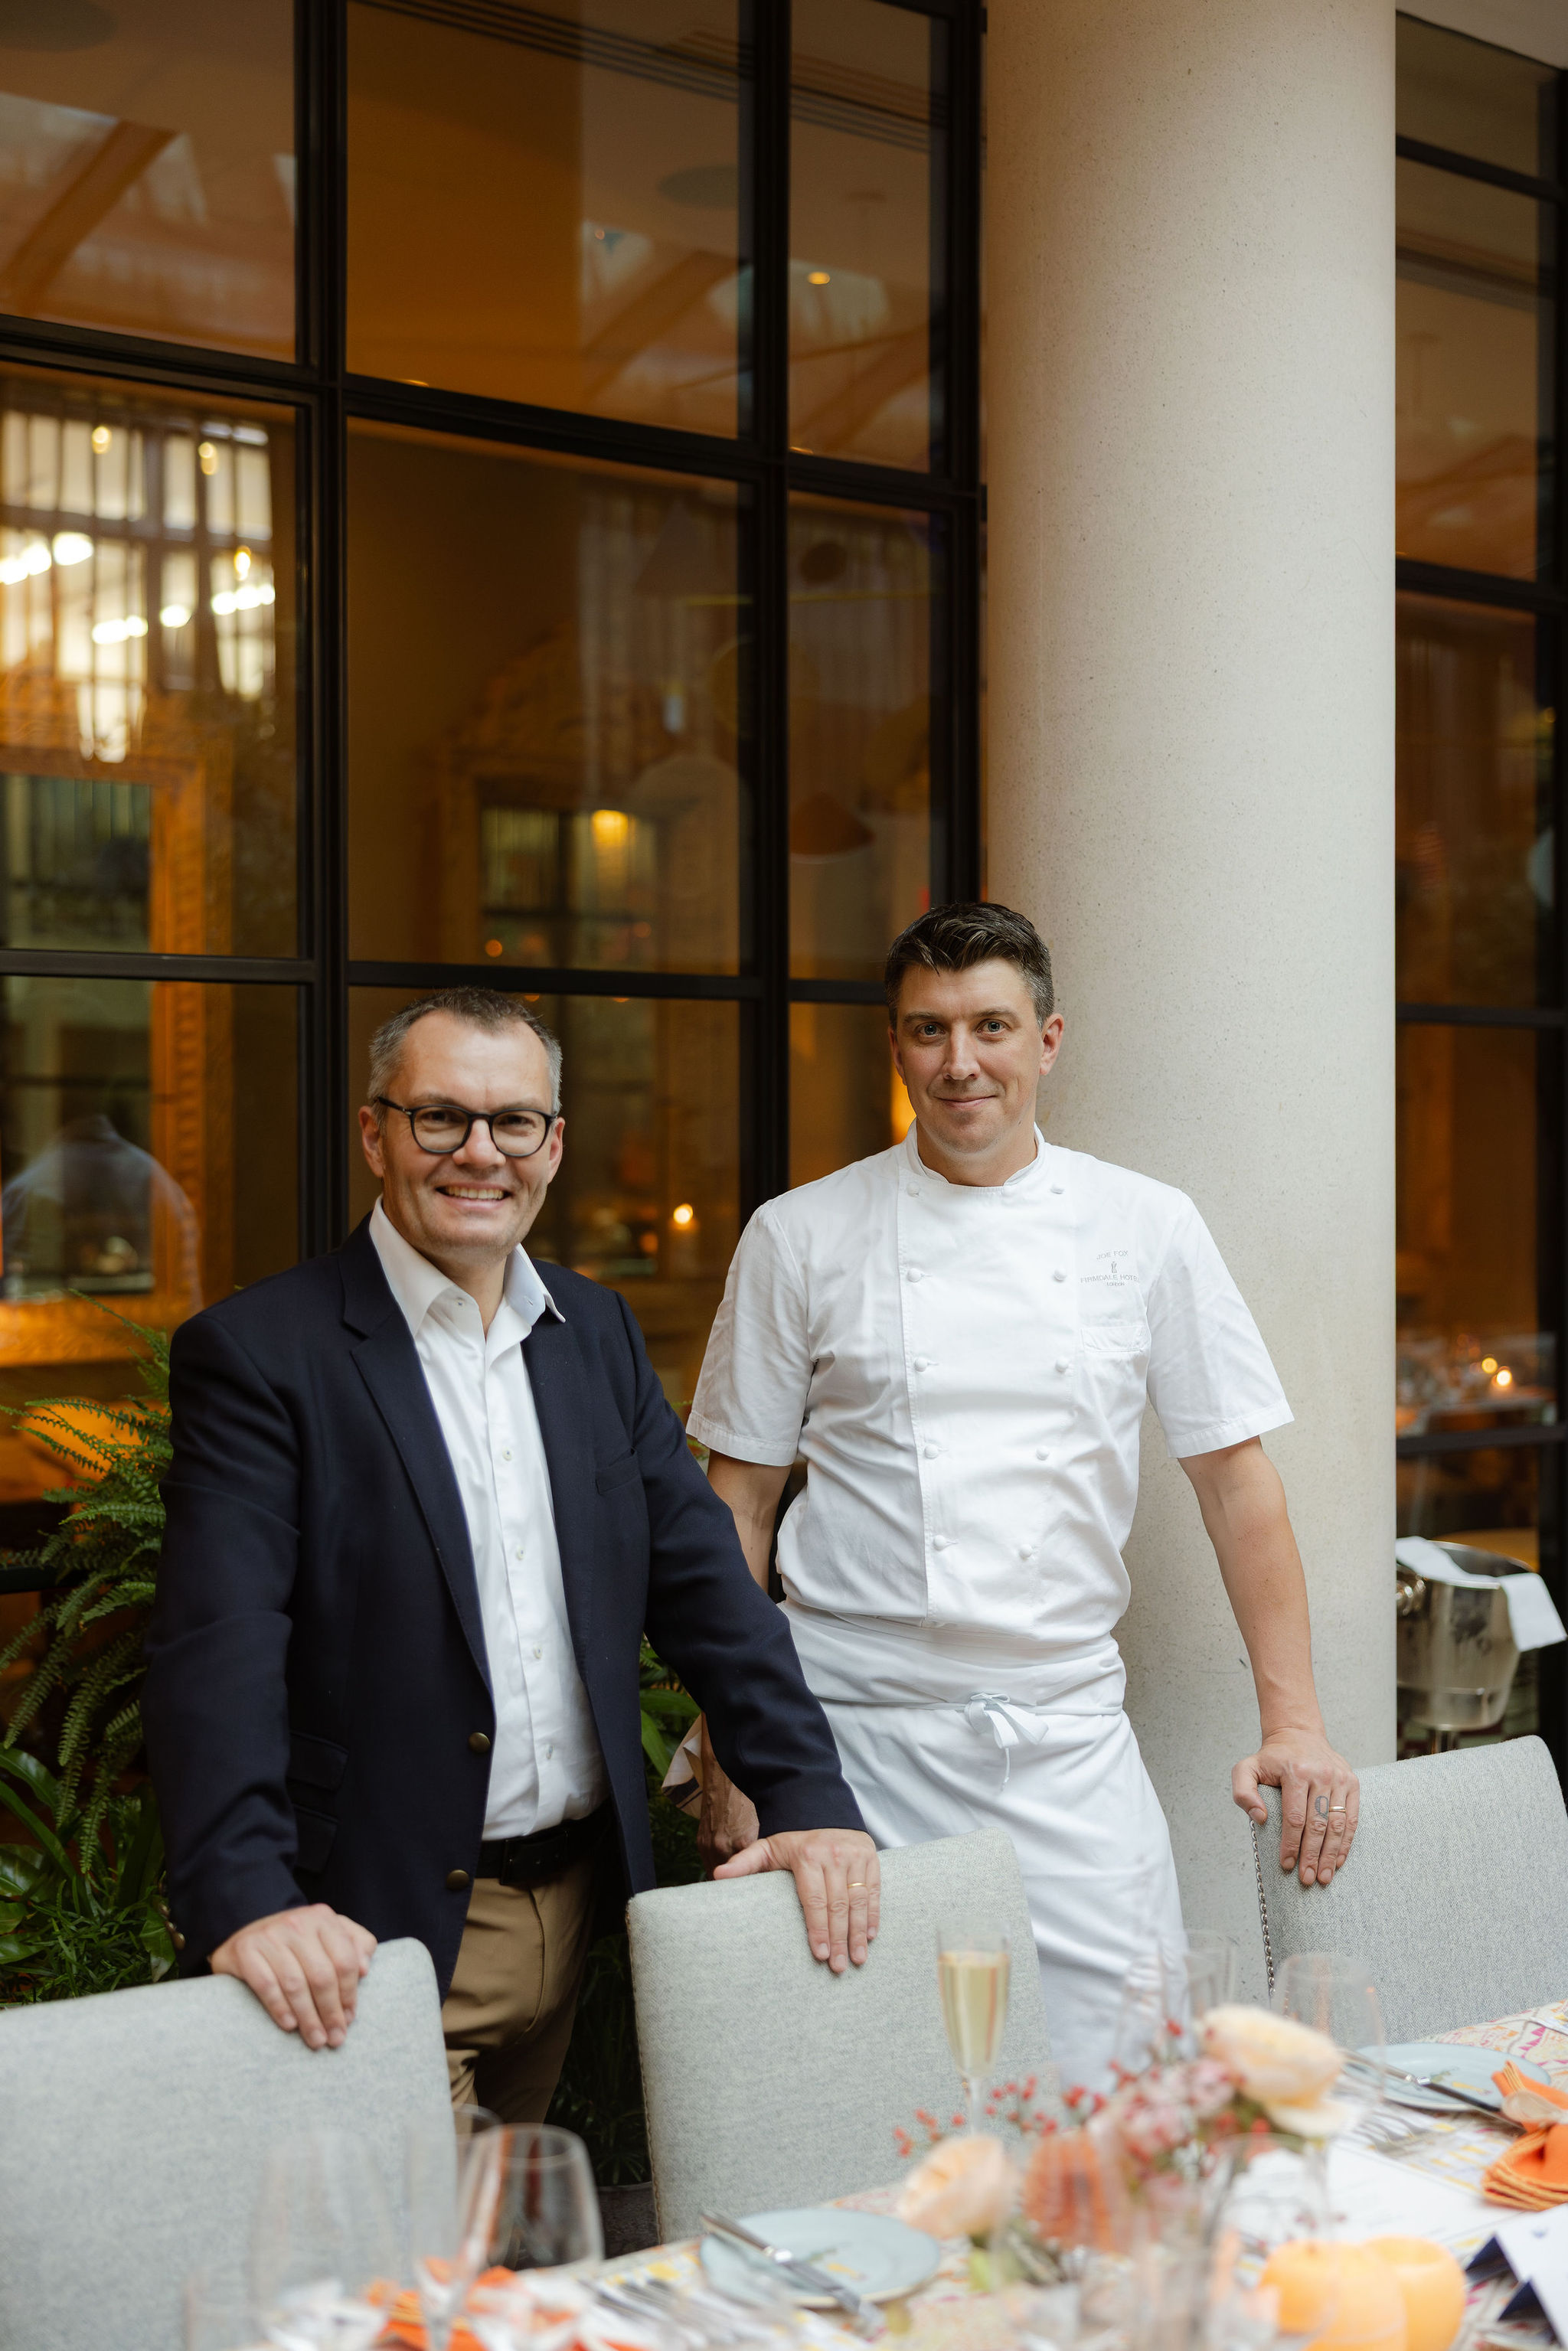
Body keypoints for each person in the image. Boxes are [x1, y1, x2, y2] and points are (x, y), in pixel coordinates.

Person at [143, 988, 877, 2122]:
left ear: (555, 1144)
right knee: (402, 2290)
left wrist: (807, 1797)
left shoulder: (594, 1332)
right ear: (376, 1133)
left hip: (576, 1914)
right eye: (441, 1117)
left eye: (514, 1123)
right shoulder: (261, 1357)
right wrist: (246, 1899)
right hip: (370, 1937)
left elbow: (705, 1591)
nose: (479, 1153)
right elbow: (220, 1645)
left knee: (514, 2271)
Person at [688, 903, 1357, 2088]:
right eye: (929, 1031)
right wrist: (738, 1751)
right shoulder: (800, 1236)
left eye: (991, 1026)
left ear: (1048, 1040)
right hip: (850, 1739)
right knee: (876, 2094)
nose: (961, 1063)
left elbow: (1237, 1488)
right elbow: (735, 1506)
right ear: (893, 1047)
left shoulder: (1148, 1227)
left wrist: (1294, 1723)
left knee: (1132, 2089)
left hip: (1065, 1737)